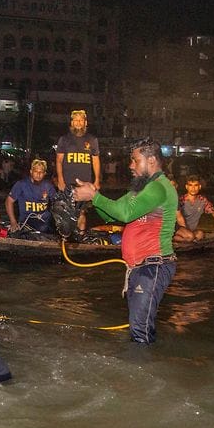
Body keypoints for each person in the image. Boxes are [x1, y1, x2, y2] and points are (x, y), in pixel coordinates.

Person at [74, 138, 178, 344]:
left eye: (134, 160)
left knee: (140, 329)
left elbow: (125, 213)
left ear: (151, 161)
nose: (130, 165)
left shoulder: (158, 188)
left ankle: (141, 370)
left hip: (154, 265)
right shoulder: (142, 189)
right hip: (140, 268)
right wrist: (92, 198)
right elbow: (112, 215)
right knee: (138, 326)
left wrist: (94, 197)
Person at [55, 110, 100, 231]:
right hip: (67, 184)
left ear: (85, 122)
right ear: (71, 123)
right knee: (66, 213)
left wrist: (97, 181)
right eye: (75, 120)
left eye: (81, 120)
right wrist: (60, 180)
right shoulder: (64, 140)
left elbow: (95, 161)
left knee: (82, 213)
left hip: (85, 184)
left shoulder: (92, 140)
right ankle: (66, 240)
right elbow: (59, 161)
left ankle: (80, 237)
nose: (78, 123)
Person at [174, 175, 214, 242]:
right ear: (186, 187)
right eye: (190, 185)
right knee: (190, 237)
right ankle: (173, 238)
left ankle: (188, 240)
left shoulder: (203, 200)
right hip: (179, 230)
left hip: (191, 231)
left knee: (200, 234)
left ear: (199, 187)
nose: (193, 188)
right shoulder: (181, 201)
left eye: (195, 185)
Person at [5, 158, 56, 234]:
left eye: (41, 172)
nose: (38, 174)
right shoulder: (21, 184)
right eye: (36, 171)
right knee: (41, 229)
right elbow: (8, 201)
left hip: (45, 219)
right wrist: (13, 221)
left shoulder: (48, 186)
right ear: (31, 172)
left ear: (44, 173)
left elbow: (56, 202)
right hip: (27, 220)